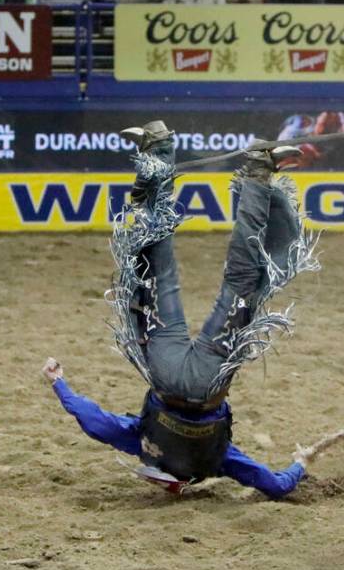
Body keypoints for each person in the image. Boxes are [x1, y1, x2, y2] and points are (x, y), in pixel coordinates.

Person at [42, 123, 316, 496]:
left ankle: (256, 172)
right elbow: (96, 424)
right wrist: (59, 383)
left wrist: (299, 465)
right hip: (165, 371)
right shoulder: (144, 445)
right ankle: (158, 151)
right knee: (156, 269)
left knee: (243, 280)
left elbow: (274, 484)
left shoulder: (219, 460)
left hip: (208, 383)